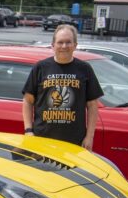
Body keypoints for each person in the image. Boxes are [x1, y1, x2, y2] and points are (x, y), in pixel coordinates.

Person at [22, 23, 103, 151]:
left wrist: (89, 137)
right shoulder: (40, 68)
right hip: (42, 139)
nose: (64, 46)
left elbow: (92, 105)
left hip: (75, 142)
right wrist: (28, 130)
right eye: (60, 42)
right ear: (53, 45)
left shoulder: (84, 69)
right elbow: (27, 100)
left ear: (75, 45)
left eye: (68, 42)